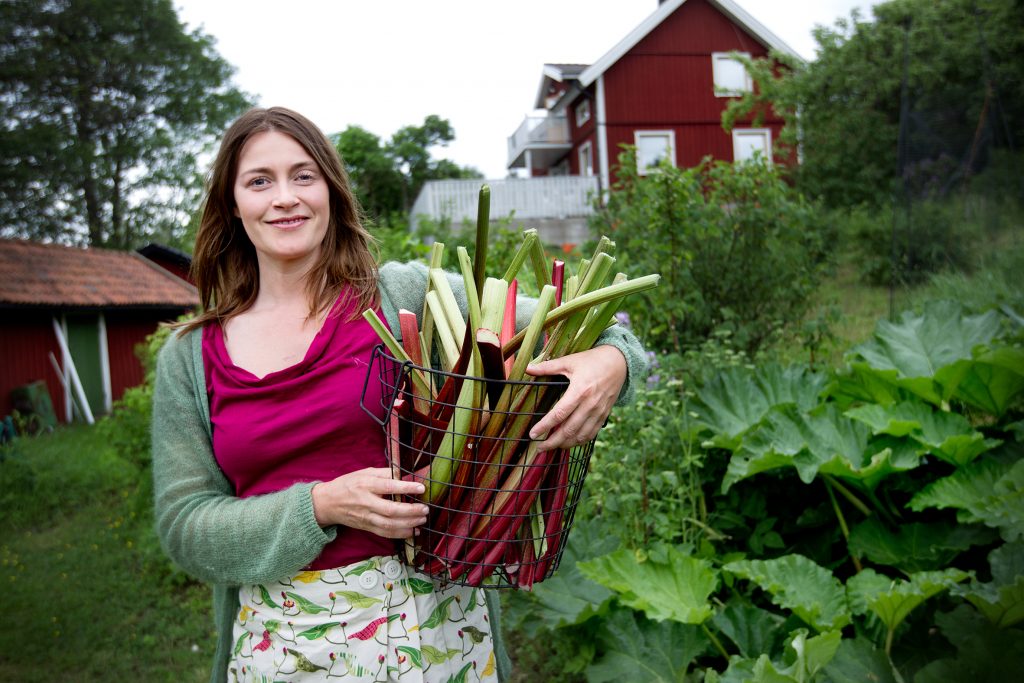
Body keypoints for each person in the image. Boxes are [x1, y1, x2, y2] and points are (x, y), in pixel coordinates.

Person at [151, 106, 648, 683]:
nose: (285, 197)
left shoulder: (407, 295)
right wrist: (320, 505)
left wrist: (613, 363)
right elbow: (185, 526)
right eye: (260, 181)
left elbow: (597, 327)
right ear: (233, 205)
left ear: (331, 191)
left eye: (304, 175)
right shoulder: (190, 357)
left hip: (437, 629)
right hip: (285, 648)